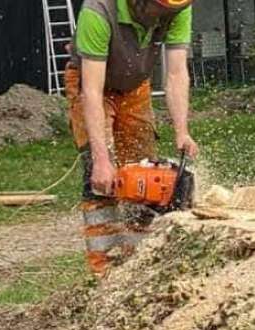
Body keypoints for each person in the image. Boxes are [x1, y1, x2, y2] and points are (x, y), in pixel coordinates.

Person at [64, 0, 199, 276]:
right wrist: (102, 158)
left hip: (135, 85)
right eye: (156, 11)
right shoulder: (99, 10)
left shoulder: (178, 6)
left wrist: (181, 131)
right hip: (91, 84)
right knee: (100, 177)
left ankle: (137, 264)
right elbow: (91, 91)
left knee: (143, 172)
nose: (160, 17)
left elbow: (175, 73)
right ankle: (103, 270)